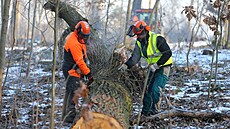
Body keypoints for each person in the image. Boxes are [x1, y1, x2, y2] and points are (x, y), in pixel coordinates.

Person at [119, 20, 172, 116]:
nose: (138, 37)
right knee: (147, 89)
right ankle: (146, 111)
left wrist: (157, 65)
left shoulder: (157, 39)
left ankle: (155, 111)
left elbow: (168, 53)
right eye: (137, 35)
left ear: (145, 31)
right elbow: (135, 57)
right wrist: (126, 65)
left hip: (163, 66)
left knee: (156, 89)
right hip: (151, 67)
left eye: (139, 35)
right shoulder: (139, 43)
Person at [62, 20, 94, 123]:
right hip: (71, 70)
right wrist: (88, 74)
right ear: (77, 32)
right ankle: (69, 116)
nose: (84, 38)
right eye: (82, 35)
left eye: (85, 36)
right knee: (73, 92)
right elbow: (79, 61)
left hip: (75, 70)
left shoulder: (78, 39)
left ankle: (66, 115)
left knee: (71, 91)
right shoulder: (74, 43)